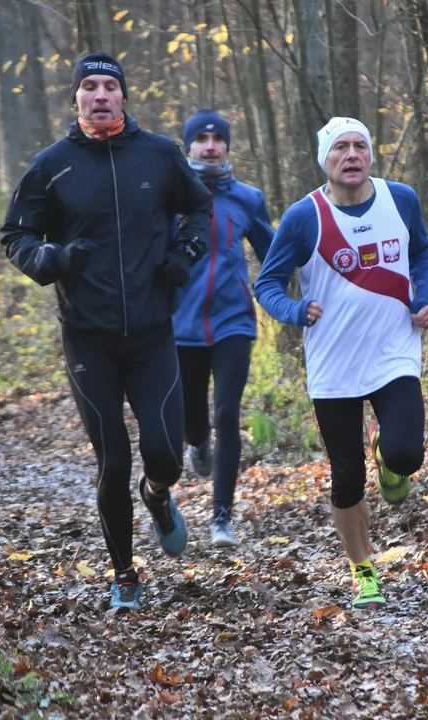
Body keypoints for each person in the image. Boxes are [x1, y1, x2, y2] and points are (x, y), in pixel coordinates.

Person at [0, 52, 213, 611]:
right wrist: (50, 258)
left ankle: (159, 495)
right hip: (87, 335)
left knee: (164, 456)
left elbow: (200, 209)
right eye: (88, 86)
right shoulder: (52, 165)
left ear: (123, 96)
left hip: (151, 332)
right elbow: (14, 234)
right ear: (75, 99)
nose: (99, 95)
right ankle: (124, 575)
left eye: (109, 86)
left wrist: (184, 252)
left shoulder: (161, 155)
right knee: (113, 461)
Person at [254, 117, 428, 610]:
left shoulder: (400, 199)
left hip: (394, 351)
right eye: (340, 148)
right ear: (325, 161)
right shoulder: (304, 217)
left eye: (360, 146)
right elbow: (266, 283)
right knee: (346, 475)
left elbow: (422, 250)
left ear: (371, 156)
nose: (351, 155)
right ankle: (363, 572)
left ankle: (387, 450)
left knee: (407, 455)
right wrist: (294, 311)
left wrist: (426, 295)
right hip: (333, 363)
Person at [173, 109, 274, 548]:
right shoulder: (169, 197)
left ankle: (221, 520)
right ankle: (197, 444)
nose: (210, 145)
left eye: (217, 138)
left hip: (234, 320)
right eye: (201, 139)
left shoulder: (247, 198)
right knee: (192, 420)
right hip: (181, 324)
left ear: (227, 146)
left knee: (227, 414)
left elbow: (276, 252)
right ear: (189, 146)